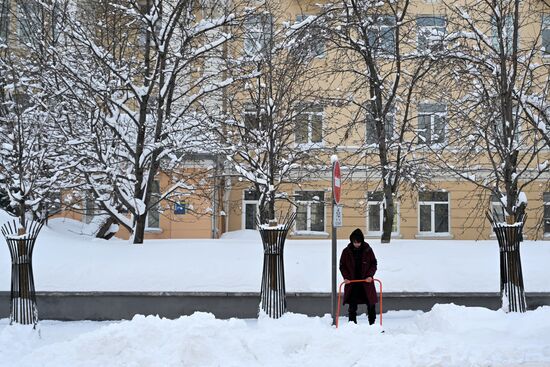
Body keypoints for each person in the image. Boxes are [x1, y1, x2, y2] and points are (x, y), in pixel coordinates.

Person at [339, 228, 378, 324]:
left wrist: (370, 276)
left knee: (371, 304)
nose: (356, 244)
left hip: (366, 282)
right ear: (351, 241)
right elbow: (342, 266)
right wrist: (346, 277)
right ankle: (352, 325)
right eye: (354, 242)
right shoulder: (346, 251)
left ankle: (372, 325)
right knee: (352, 305)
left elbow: (374, 264)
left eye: (358, 242)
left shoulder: (368, 250)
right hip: (352, 283)